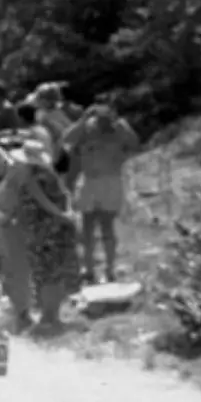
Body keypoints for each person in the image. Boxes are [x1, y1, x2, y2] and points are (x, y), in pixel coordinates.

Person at [0, 129, 81, 334]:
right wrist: (66, 214)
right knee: (50, 272)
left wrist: (64, 214)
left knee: (46, 272)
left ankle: (44, 316)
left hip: (43, 228)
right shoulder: (40, 176)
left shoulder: (26, 176)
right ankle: (47, 316)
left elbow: (46, 200)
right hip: (48, 228)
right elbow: (55, 198)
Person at [62, 100, 140, 283]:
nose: (103, 118)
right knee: (87, 227)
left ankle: (110, 268)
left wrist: (121, 123)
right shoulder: (87, 128)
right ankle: (89, 269)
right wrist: (83, 120)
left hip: (111, 181)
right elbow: (66, 139)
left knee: (107, 227)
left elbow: (134, 144)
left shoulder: (119, 129)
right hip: (90, 181)